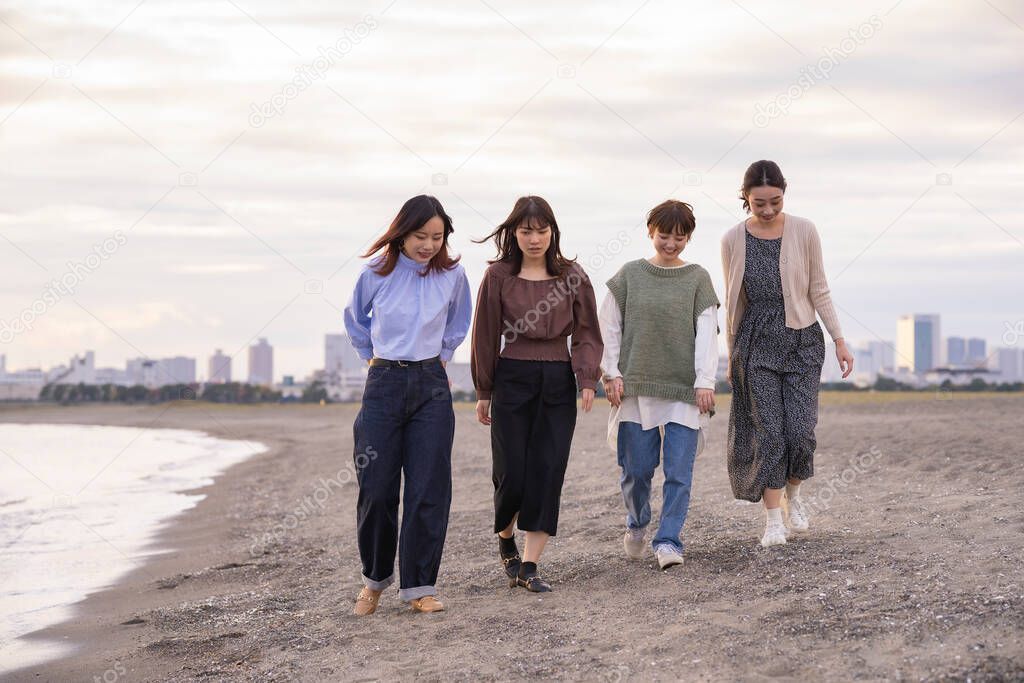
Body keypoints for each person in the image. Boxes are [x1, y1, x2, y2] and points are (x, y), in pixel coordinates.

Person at [343, 194, 472, 614]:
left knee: (429, 488)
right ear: (402, 232)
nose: (429, 245)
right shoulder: (375, 272)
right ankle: (374, 582)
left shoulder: (452, 274)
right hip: (382, 382)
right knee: (376, 488)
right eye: (421, 236)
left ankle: (420, 588)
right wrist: (369, 355)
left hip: (431, 386)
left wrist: (444, 353)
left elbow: (459, 320)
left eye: (437, 237)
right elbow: (354, 318)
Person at [471, 195, 603, 592]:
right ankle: (506, 536)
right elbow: (485, 334)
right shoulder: (498, 276)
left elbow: (586, 333)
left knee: (548, 468)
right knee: (511, 471)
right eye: (526, 230)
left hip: (558, 379)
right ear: (514, 232)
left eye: (541, 230)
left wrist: (586, 379)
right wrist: (484, 389)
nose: (534, 238)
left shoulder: (572, 275)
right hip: (512, 376)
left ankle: (529, 567)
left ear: (552, 232)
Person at [721, 160, 854, 548]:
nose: (767, 210)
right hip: (755, 343)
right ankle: (773, 520)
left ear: (784, 193)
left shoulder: (805, 230)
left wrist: (839, 340)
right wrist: (732, 355)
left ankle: (795, 494)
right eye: (759, 203)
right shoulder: (732, 239)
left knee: (800, 432)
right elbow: (734, 302)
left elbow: (819, 289)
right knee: (770, 433)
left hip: (801, 342)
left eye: (774, 202)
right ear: (745, 197)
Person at [599, 200, 720, 570]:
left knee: (679, 473)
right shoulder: (629, 275)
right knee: (636, 469)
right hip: (636, 386)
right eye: (664, 236)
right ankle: (637, 523)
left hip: (684, 389)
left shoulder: (698, 278)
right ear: (650, 232)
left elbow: (707, 335)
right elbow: (609, 326)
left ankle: (668, 541)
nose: (671, 243)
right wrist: (611, 373)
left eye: (679, 237)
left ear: (688, 238)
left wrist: (705, 381)